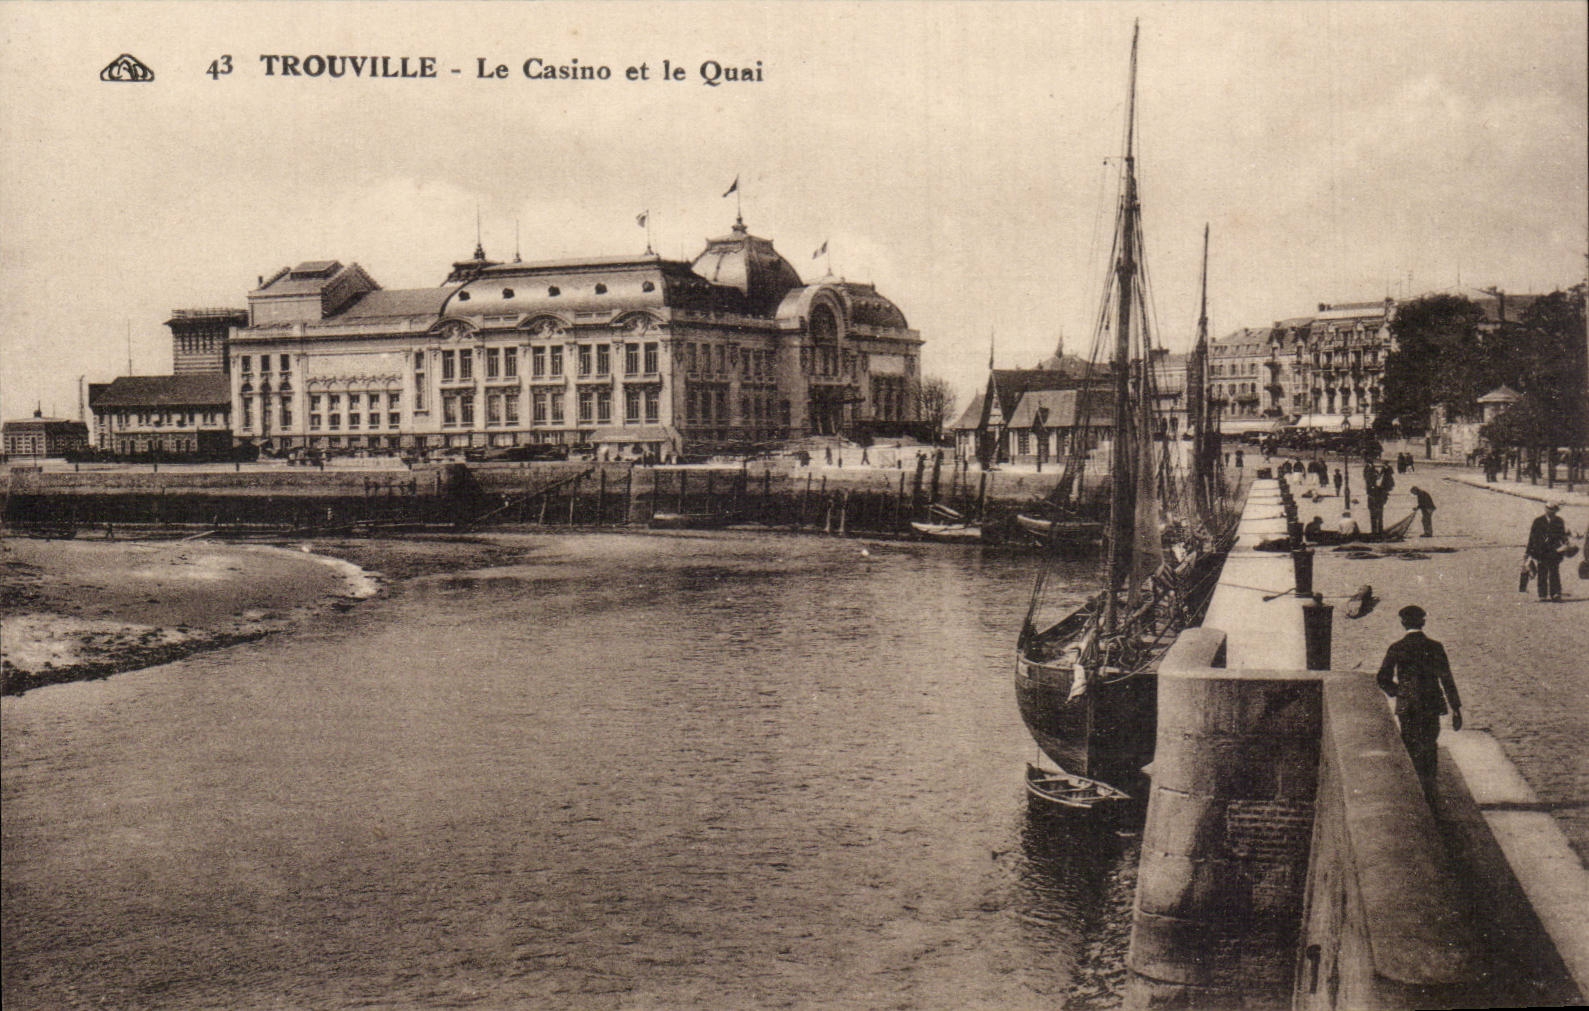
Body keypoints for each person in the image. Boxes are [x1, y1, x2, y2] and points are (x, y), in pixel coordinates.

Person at [1377, 604, 1462, 802]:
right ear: (1423, 622)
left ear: (1402, 623)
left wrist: (1399, 692)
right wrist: (1456, 708)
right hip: (1431, 705)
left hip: (1407, 706)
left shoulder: (1397, 647)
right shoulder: (1435, 647)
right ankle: (1430, 791)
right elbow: (1446, 679)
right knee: (1429, 745)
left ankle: (1415, 794)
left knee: (1410, 743)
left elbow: (1382, 678)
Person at [1526, 501, 1570, 602]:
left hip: (1555, 550)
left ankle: (1555, 593)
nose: (1551, 512)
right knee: (1542, 572)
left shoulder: (1559, 521)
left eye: (1553, 511)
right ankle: (1542, 594)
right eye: (1549, 510)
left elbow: (1562, 535)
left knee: (1554, 572)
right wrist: (1529, 552)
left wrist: (1566, 543)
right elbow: (1532, 537)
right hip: (1541, 551)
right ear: (1545, 510)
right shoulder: (1538, 521)